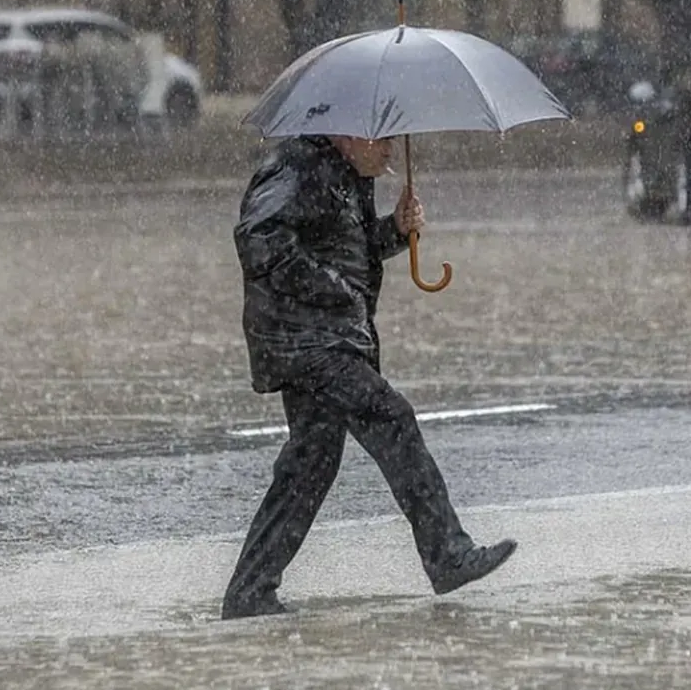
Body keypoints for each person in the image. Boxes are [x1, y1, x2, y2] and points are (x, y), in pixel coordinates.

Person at [221, 133, 517, 620]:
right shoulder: (299, 167)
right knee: (391, 417)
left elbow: (346, 251)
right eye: (380, 139)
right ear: (347, 132)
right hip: (307, 342)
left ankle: (248, 592)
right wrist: (331, 289)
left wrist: (396, 231)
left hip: (323, 339)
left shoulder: (347, 174)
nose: (389, 153)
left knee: (310, 465)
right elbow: (258, 239)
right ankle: (447, 555)